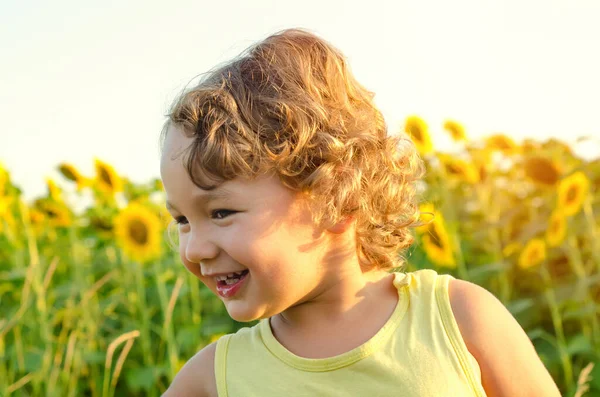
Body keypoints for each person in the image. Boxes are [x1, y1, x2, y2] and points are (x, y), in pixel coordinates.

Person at [159, 28, 560, 396]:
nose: (194, 249)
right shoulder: (213, 380)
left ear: (332, 195)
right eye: (182, 221)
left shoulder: (456, 321)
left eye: (221, 212)